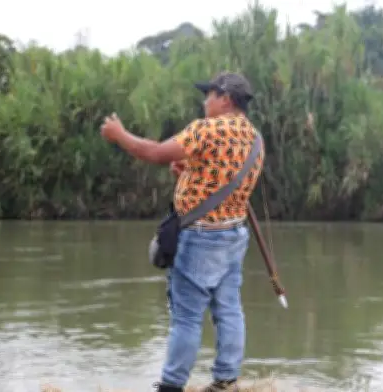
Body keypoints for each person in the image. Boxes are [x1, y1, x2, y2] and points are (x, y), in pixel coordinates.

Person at [100, 72, 264, 392]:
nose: (205, 101)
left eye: (210, 95)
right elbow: (221, 179)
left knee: (187, 317)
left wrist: (119, 135)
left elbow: (155, 153)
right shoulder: (255, 139)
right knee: (229, 308)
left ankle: (172, 385)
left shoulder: (206, 129)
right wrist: (189, 171)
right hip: (234, 234)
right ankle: (226, 380)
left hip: (201, 236)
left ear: (226, 99)